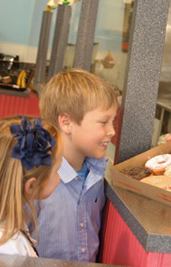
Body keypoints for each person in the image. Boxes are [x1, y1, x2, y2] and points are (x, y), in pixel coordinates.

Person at [34, 69, 118, 262]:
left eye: (113, 121)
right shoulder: (37, 178)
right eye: (103, 122)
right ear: (66, 122)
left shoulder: (97, 174)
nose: (112, 131)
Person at [0, 115, 64, 257]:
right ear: (31, 186)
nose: (60, 177)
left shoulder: (9, 230)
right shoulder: (1, 248)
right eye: (58, 170)